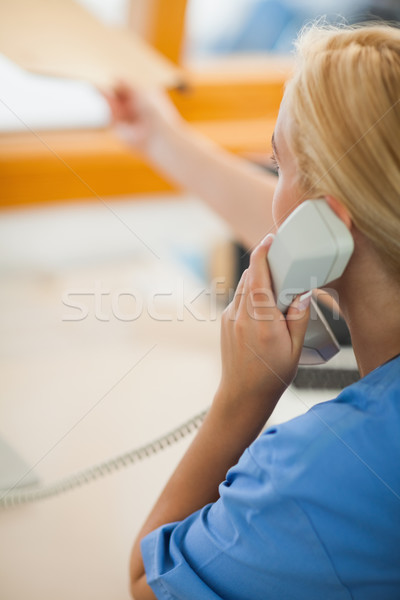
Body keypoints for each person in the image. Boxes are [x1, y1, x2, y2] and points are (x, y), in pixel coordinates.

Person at [106, 23, 400, 599]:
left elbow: (145, 586)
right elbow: (343, 219)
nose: (272, 183)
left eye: (278, 163)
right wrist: (162, 140)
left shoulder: (318, 475)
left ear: (324, 227)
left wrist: (241, 398)